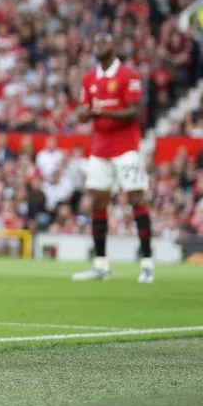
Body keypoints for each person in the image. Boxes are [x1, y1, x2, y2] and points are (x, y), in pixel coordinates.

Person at [72, 33, 154, 283]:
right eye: (97, 43)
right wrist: (86, 114)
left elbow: (134, 112)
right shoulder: (89, 79)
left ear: (115, 47)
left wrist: (102, 111)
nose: (99, 46)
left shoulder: (129, 76)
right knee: (98, 203)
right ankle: (101, 264)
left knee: (136, 198)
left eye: (105, 42)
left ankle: (147, 262)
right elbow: (81, 112)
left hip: (127, 148)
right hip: (100, 149)